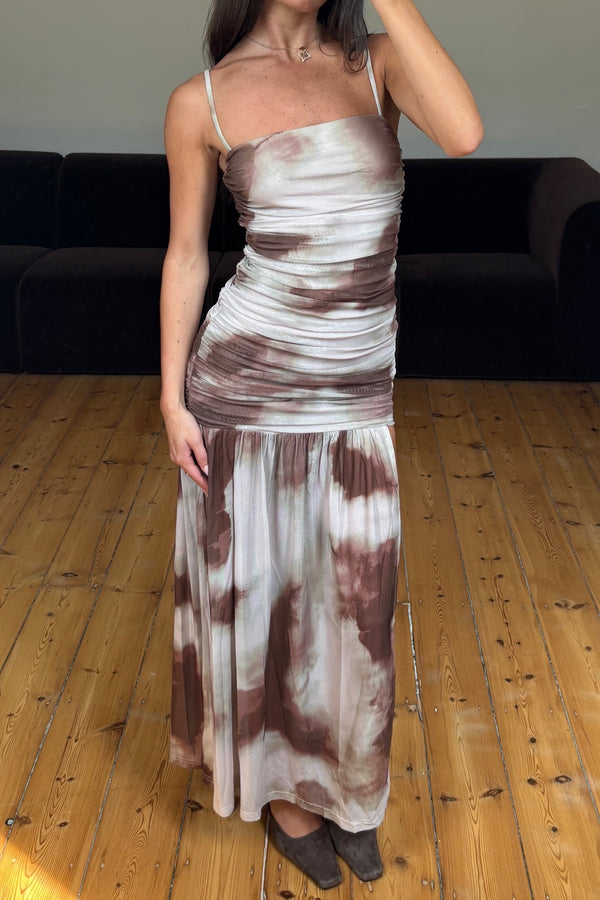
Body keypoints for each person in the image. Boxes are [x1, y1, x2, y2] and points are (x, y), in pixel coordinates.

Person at [160, 0, 483, 889]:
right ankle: (288, 801)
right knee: (265, 605)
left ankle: (346, 787)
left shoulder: (375, 63)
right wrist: (170, 400)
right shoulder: (201, 100)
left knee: (353, 611)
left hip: (354, 396)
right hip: (242, 388)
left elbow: (463, 133)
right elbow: (186, 255)